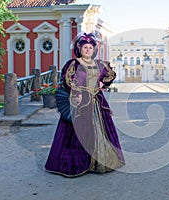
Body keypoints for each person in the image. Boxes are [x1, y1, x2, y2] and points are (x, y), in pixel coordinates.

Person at [45, 32, 125, 177]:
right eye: (85, 47)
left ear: (94, 50)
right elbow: (66, 80)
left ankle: (99, 161)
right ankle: (74, 163)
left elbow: (111, 75)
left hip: (96, 102)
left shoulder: (99, 64)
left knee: (100, 131)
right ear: (79, 49)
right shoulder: (74, 64)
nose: (88, 50)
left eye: (90, 47)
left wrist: (103, 82)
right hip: (80, 101)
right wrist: (75, 92)